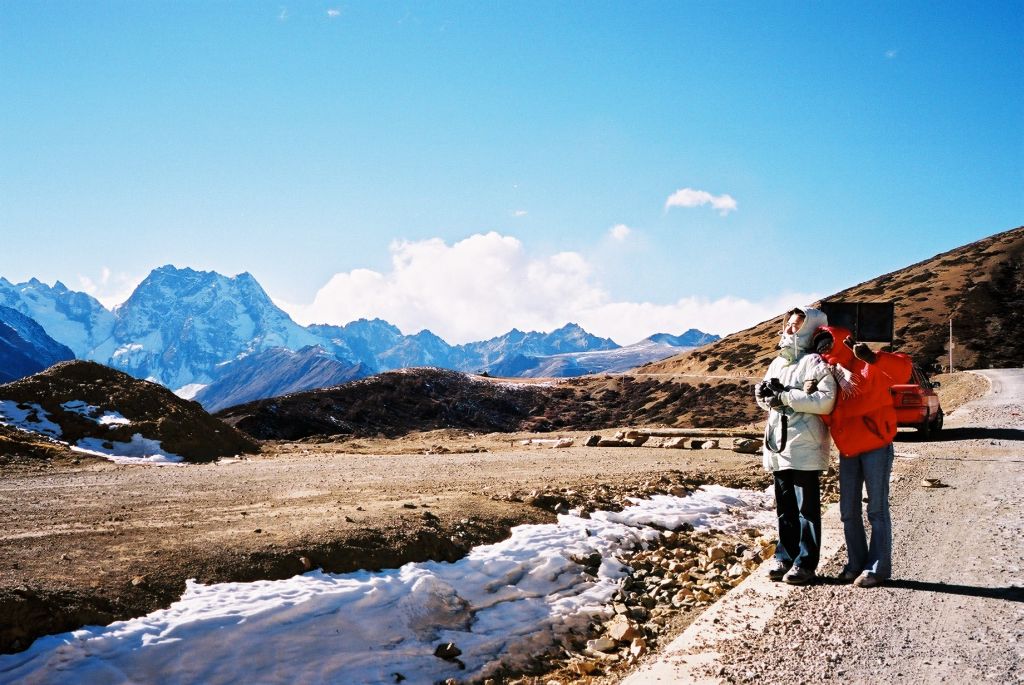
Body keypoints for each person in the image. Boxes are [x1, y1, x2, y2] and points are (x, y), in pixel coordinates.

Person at [809, 325, 912, 588]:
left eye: (827, 343)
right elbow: (831, 415)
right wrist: (813, 395)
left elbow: (904, 370)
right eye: (819, 346)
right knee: (848, 511)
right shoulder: (829, 375)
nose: (824, 349)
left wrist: (874, 358)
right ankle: (855, 564)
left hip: (876, 445)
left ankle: (876, 568)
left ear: (839, 341)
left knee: (876, 509)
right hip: (849, 449)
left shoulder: (867, 363)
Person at [755, 307, 836, 585]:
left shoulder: (815, 362)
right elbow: (768, 399)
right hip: (779, 443)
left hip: (805, 443)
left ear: (811, 327)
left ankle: (805, 562)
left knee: (807, 510)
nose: (791, 329)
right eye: (789, 324)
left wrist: (786, 397)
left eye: (798, 324)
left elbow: (826, 400)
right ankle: (785, 557)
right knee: (785, 507)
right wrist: (763, 396)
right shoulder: (778, 362)